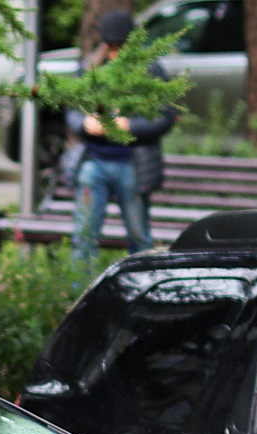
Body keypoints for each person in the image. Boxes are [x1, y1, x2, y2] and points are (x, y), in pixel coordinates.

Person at [65, 9, 177, 263]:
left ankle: (140, 291)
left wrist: (130, 125)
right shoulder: (91, 67)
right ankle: (79, 293)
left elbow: (165, 117)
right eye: (111, 47)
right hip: (94, 162)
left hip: (133, 165)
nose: (114, 53)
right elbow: (72, 109)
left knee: (139, 237)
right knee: (83, 236)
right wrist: (85, 123)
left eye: (120, 47)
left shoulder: (150, 70)